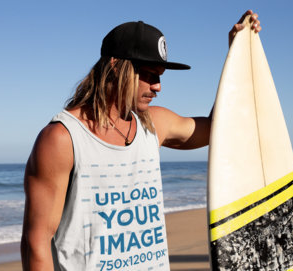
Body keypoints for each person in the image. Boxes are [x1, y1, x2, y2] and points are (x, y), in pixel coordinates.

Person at [21, 10, 261, 271]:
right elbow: (37, 242)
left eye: (160, 76)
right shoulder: (63, 138)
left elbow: (219, 128)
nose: (158, 86)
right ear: (115, 67)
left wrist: (237, 54)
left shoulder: (154, 125)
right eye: (149, 74)